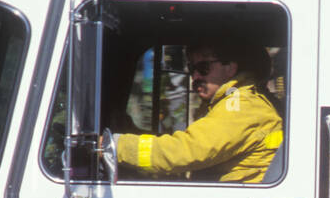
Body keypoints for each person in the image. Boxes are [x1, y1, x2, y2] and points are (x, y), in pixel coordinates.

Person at [111, 40, 282, 183]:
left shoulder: (241, 106)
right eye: (192, 69)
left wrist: (114, 146)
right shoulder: (233, 102)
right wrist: (131, 134)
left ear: (230, 68)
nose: (195, 77)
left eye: (203, 68)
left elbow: (184, 152)